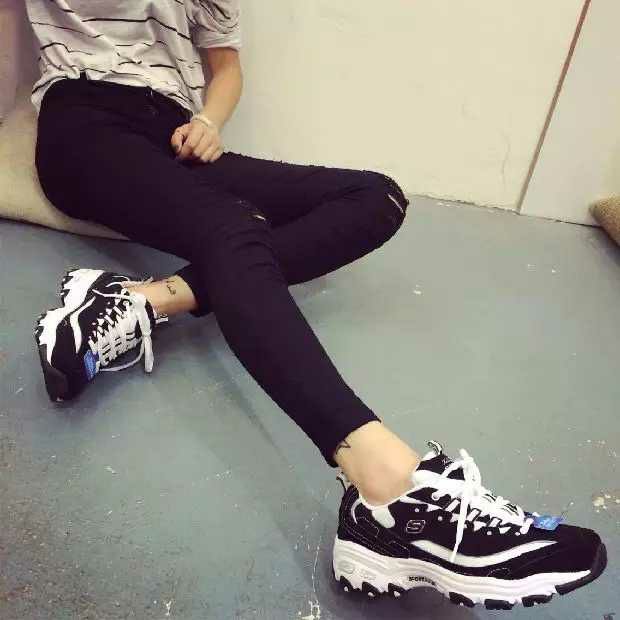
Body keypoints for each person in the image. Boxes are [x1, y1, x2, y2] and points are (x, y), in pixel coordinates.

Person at [27, 0, 606, 610]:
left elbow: (226, 67)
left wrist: (210, 121)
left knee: (374, 198)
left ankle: (148, 300)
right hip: (85, 122)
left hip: (174, 134)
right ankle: (387, 489)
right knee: (233, 228)